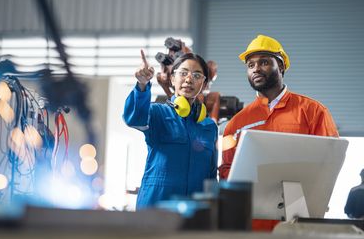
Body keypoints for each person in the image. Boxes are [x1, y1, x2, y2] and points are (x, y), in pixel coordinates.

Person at [219, 35, 339, 179]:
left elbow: (331, 160)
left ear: (281, 66)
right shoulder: (235, 124)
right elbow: (226, 169)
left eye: (264, 62)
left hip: (299, 199)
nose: (256, 69)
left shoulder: (313, 111)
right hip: (252, 200)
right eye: (250, 65)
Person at [123, 50, 218, 209]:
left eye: (196, 75)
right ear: (173, 79)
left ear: (204, 84)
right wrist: (142, 85)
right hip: (155, 208)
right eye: (183, 73)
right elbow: (134, 118)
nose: (189, 79)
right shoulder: (157, 113)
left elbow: (211, 176)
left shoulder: (209, 127)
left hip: (194, 212)